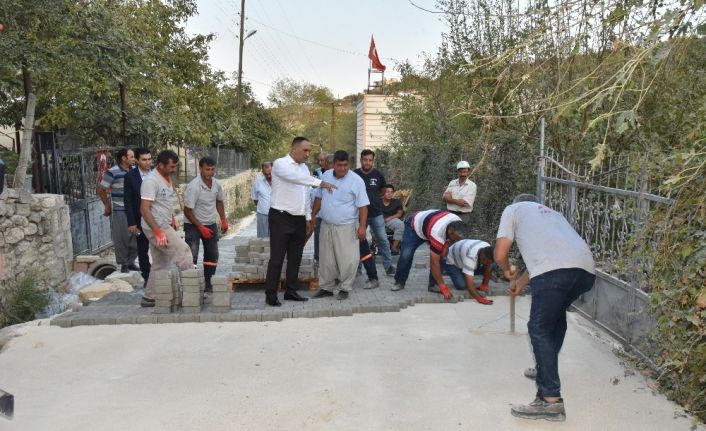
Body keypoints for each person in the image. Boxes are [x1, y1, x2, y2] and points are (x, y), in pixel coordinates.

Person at [494, 194, 595, 422]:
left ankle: (550, 401)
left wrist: (505, 269)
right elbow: (552, 256)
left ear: (516, 202)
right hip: (585, 271)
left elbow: (500, 253)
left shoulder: (514, 209)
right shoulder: (553, 215)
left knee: (538, 327)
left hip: (555, 274)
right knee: (555, 318)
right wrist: (519, 284)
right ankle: (544, 369)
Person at [264, 137, 335, 307]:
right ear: (294, 149)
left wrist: (308, 218)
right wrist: (320, 182)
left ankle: (291, 291)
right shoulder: (280, 164)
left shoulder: (304, 168)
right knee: (277, 258)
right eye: (305, 150)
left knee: (296, 257)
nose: (308, 154)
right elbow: (296, 179)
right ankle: (271, 294)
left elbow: (304, 194)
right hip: (280, 216)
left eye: (309, 151)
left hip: (298, 218)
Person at [310, 150, 369, 300]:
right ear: (333, 164)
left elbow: (363, 206)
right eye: (339, 165)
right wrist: (313, 215)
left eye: (345, 165)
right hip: (327, 225)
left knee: (347, 259)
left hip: (347, 226)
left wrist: (362, 227)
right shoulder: (327, 175)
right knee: (326, 259)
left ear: (349, 164)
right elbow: (318, 197)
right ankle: (327, 287)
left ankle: (345, 287)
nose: (342, 168)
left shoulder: (356, 180)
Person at [139, 150, 194, 307]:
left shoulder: (166, 177)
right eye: (171, 166)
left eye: (175, 166)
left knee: (160, 261)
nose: (173, 169)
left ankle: (150, 297)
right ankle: (192, 292)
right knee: (183, 252)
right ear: (160, 165)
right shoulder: (151, 181)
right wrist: (158, 231)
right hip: (155, 226)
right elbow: (144, 209)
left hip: (164, 223)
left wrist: (172, 220)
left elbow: (163, 203)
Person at [392, 209, 467, 299]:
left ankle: (433, 284)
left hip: (430, 225)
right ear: (450, 232)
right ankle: (399, 281)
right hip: (414, 227)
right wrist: (443, 286)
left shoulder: (458, 224)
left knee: (442, 256)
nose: (455, 241)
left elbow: (447, 244)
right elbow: (434, 263)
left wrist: (445, 247)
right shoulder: (438, 232)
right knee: (406, 255)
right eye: (454, 239)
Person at [183, 157, 228, 293]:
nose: (210, 172)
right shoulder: (194, 186)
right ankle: (191, 286)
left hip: (210, 223)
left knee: (212, 255)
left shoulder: (216, 184)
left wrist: (223, 219)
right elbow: (187, 210)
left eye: (213, 169)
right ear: (200, 168)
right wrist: (200, 227)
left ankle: (209, 283)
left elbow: (219, 201)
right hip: (193, 225)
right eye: (207, 169)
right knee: (192, 255)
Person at [354, 149, 395, 276]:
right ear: (361, 160)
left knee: (383, 240)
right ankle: (357, 269)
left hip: (376, 213)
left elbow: (382, 191)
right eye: (365, 160)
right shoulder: (354, 175)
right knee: (358, 241)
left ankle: (388, 267)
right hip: (359, 215)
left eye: (370, 160)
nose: (367, 162)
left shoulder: (378, 175)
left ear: (373, 161)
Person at [97, 148, 138, 273]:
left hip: (135, 209)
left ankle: (131, 262)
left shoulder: (136, 171)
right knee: (122, 238)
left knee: (136, 238)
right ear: (124, 158)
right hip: (120, 209)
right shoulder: (112, 172)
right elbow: (100, 189)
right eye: (131, 156)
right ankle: (124, 264)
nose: (133, 159)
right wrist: (107, 206)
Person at [428, 239, 494, 304]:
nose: (488, 263)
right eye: (487, 261)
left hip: (463, 257)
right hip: (451, 262)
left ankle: (466, 271)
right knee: (461, 285)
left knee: (488, 266)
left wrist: (484, 284)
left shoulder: (487, 248)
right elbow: (470, 286)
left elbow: (489, 266)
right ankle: (451, 270)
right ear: (482, 256)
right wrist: (480, 298)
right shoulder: (470, 256)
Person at [123, 147, 152, 287]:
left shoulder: (156, 174)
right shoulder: (130, 177)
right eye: (144, 160)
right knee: (142, 248)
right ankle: (147, 276)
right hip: (140, 220)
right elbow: (127, 201)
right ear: (137, 160)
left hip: (157, 218)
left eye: (149, 159)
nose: (147, 162)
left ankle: (161, 275)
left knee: (161, 248)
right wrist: (131, 222)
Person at [251, 161, 273, 238]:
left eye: (270, 173)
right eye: (266, 174)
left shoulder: (279, 182)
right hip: (262, 214)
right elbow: (255, 198)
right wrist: (263, 207)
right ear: (263, 172)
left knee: (275, 239)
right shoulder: (258, 181)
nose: (268, 175)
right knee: (262, 239)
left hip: (276, 215)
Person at [381, 184, 404, 254]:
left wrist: (390, 217)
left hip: (391, 220)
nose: (389, 194)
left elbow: (399, 213)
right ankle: (378, 247)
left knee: (400, 224)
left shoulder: (397, 202)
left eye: (391, 192)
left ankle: (394, 247)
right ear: (383, 193)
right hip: (379, 220)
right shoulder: (378, 201)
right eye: (387, 192)